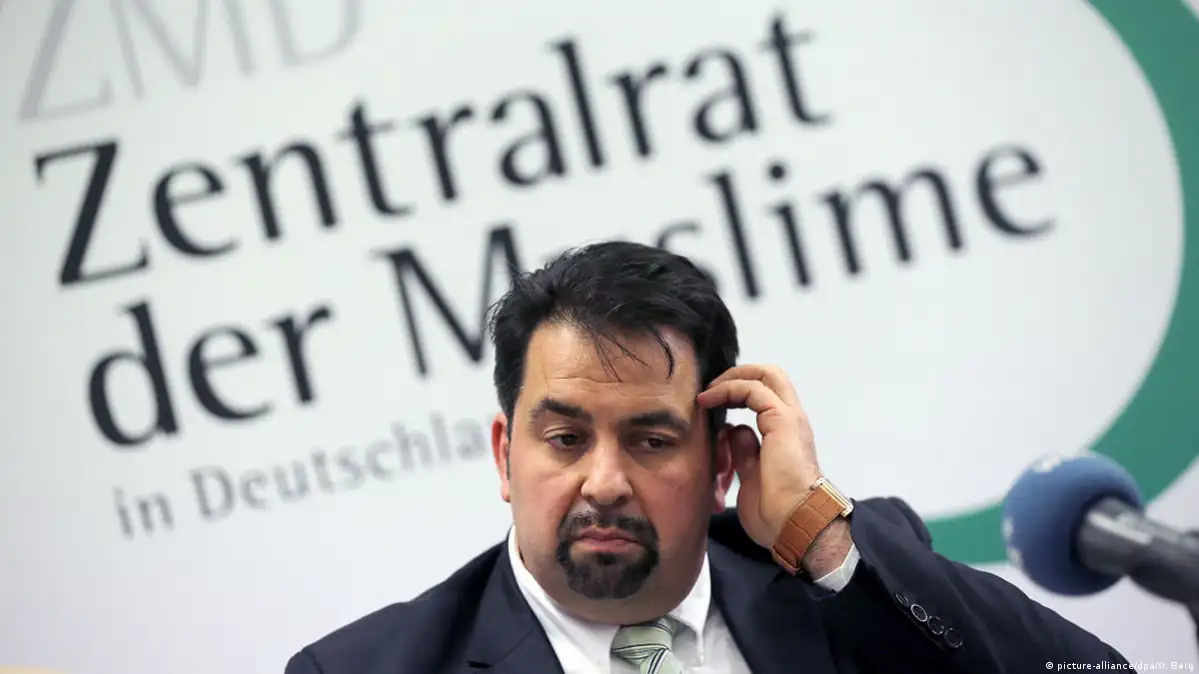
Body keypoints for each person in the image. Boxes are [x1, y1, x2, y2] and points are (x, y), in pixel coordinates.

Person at [284, 241, 1129, 673]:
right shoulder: (365, 670)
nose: (604, 482)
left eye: (650, 441)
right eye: (566, 439)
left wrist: (818, 537)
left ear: (724, 462)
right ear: (506, 457)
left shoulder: (841, 585)